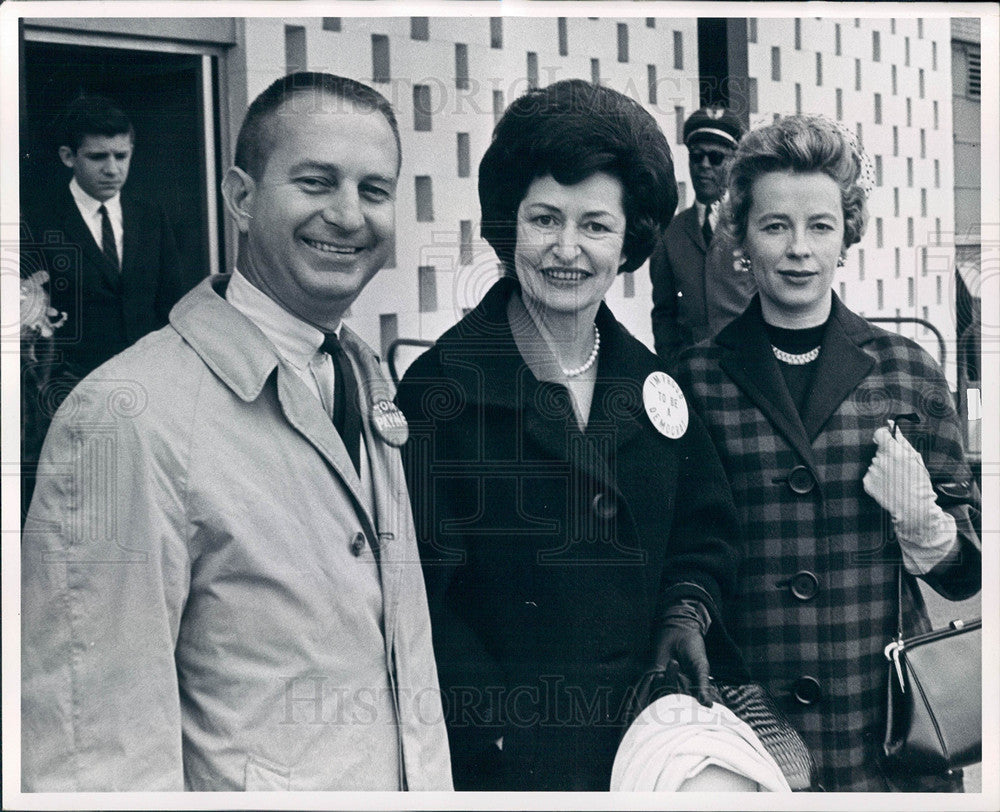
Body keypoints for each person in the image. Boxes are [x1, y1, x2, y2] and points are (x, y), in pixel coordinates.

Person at [22, 72, 452, 792]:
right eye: (315, 182)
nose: (349, 215)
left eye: (374, 190)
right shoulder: (123, 418)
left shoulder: (362, 372)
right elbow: (91, 759)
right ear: (241, 197)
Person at [395, 79, 747, 792]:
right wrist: (499, 729)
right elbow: (418, 595)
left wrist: (686, 610)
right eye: (544, 219)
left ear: (629, 241)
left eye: (595, 226)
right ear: (509, 226)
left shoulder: (659, 391)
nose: (567, 249)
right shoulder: (441, 389)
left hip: (643, 751)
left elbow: (702, 531)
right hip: (499, 761)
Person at [672, 115, 981, 792]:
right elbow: (680, 554)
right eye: (775, 225)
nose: (798, 249)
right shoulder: (693, 381)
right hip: (752, 733)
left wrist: (925, 523)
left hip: (885, 739)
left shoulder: (906, 372)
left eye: (819, 226)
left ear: (847, 235)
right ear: (741, 238)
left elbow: (967, 574)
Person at [20, 95, 187, 518]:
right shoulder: (35, 223)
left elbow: (173, 306)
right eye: (98, 157)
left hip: (147, 396)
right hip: (68, 399)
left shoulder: (151, 217)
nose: (112, 169)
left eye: (121, 155)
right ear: (67, 156)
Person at [649, 106, 755, 366]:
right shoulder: (670, 233)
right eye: (697, 157)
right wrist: (674, 362)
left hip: (749, 365)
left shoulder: (750, 225)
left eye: (716, 157)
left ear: (733, 163)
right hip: (692, 371)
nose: (704, 166)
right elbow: (664, 313)